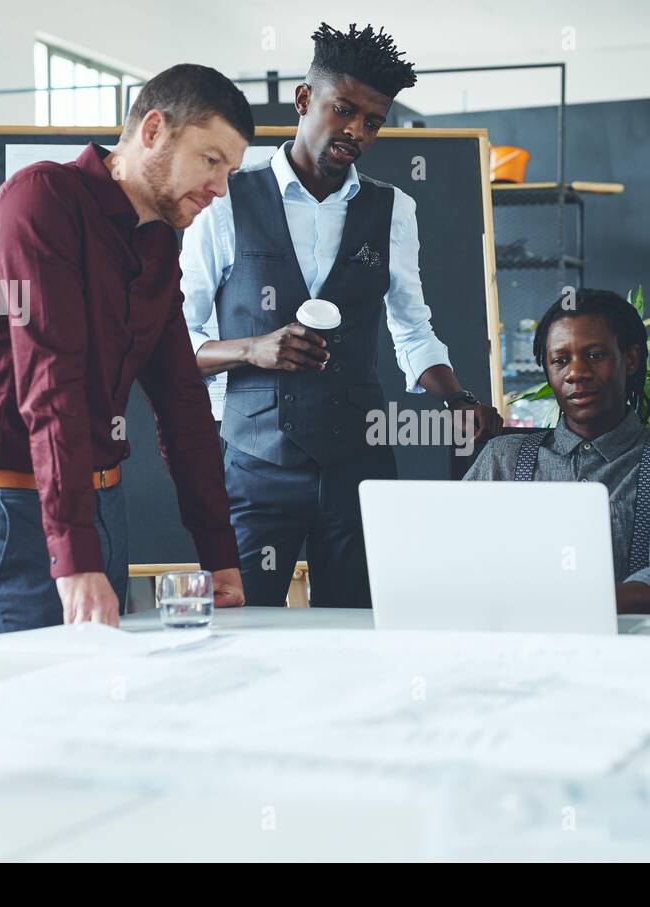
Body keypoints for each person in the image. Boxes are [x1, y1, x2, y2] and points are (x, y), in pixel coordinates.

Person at [182, 22, 502, 608]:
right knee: (242, 630)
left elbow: (412, 329)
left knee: (358, 630)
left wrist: (457, 399)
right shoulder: (226, 199)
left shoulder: (391, 209)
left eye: (373, 121)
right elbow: (177, 343)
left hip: (360, 467)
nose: (356, 131)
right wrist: (253, 349)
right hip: (255, 466)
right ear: (306, 100)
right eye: (344, 110)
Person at [0, 64, 251, 635]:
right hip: (15, 511)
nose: (221, 187)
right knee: (43, 707)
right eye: (211, 160)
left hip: (99, 508)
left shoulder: (157, 244)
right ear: (153, 130)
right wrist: (75, 558)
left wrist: (218, 551)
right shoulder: (39, 202)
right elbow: (50, 383)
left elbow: (183, 403)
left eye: (230, 169)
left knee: (99, 704)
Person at [464, 289, 650, 613]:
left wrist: (563, 603)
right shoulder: (503, 459)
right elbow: (455, 557)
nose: (576, 373)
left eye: (595, 355)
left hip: (638, 652)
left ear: (630, 360)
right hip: (522, 650)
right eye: (560, 360)